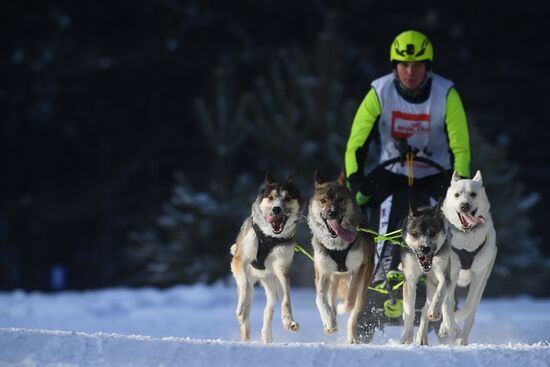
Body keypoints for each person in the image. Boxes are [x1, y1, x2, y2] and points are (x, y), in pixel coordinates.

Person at [344, 30, 471, 323]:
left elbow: (461, 147)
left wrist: (460, 184)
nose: (410, 72)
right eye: (403, 65)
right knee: (376, 204)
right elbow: (356, 144)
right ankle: (379, 282)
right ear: (394, 66)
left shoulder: (446, 94)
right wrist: (356, 181)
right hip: (392, 170)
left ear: (428, 67)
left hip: (435, 172)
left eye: (417, 65)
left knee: (449, 212)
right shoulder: (379, 91)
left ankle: (437, 282)